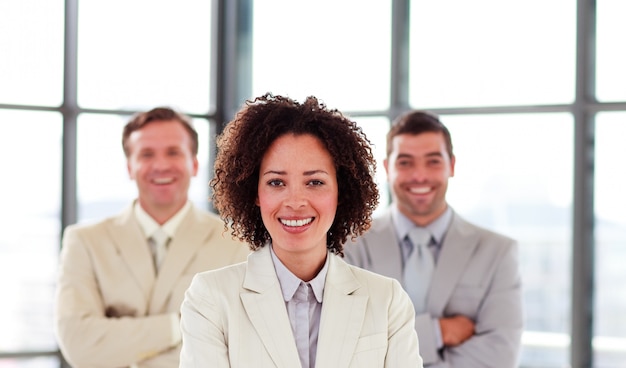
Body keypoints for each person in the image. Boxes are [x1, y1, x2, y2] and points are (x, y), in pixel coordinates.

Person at [179, 93, 424, 368]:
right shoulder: (211, 297)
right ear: (254, 192)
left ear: (340, 191)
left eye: (315, 182)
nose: (295, 201)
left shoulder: (387, 300)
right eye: (276, 183)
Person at [54, 107, 250, 368]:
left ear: (193, 164)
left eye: (173, 152)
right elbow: (80, 345)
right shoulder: (85, 242)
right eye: (146, 154)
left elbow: (240, 347)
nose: (160, 165)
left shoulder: (235, 243)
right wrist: (182, 324)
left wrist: (121, 342)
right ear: (129, 167)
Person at [343, 111, 523, 368]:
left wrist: (390, 346)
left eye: (433, 161)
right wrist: (438, 331)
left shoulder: (498, 252)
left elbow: (499, 357)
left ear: (452, 165)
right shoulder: (351, 245)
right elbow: (344, 347)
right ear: (387, 167)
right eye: (405, 162)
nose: (419, 176)